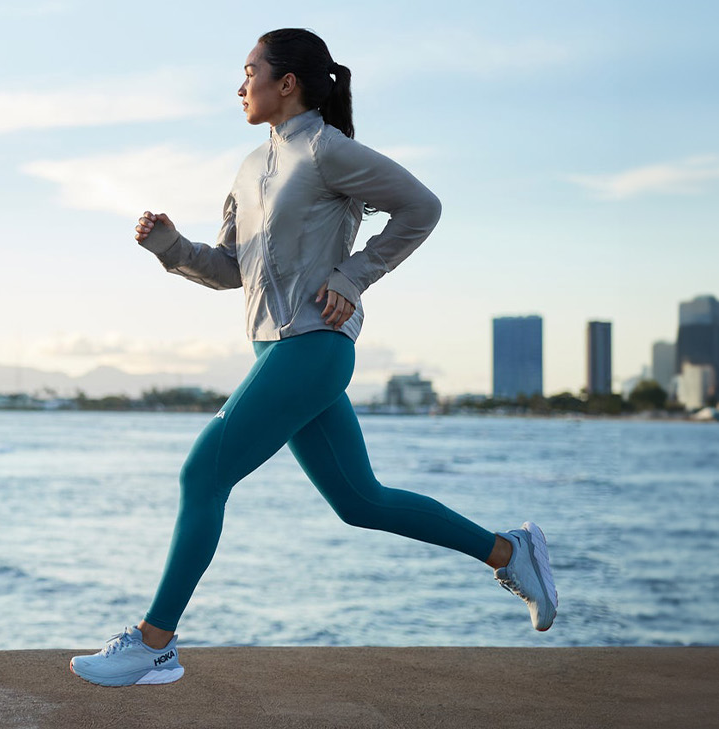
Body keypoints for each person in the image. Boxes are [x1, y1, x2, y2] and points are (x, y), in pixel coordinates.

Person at [68, 28, 558, 688]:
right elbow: (227, 270)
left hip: (316, 348)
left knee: (201, 474)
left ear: (287, 83)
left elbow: (422, 208)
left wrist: (354, 276)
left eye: (249, 72)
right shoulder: (248, 169)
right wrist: (170, 245)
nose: (240, 86)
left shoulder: (330, 150)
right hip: (278, 351)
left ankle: (155, 641)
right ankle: (510, 550)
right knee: (362, 501)